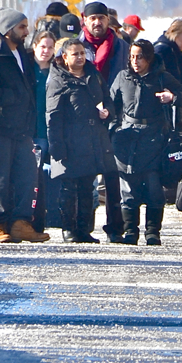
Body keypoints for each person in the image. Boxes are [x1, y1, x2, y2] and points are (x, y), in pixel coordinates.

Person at [108, 38, 182, 245]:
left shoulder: (161, 77)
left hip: (154, 137)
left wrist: (172, 97)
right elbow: (111, 103)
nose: (136, 61)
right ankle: (130, 231)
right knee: (128, 188)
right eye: (133, 57)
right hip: (126, 138)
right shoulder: (123, 77)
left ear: (149, 58)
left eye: (140, 57)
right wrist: (112, 127)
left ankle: (153, 231)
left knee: (154, 187)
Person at [0, 8, 48, 243]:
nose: (27, 32)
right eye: (22, 27)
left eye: (27, 26)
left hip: (21, 128)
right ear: (8, 30)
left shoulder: (21, 55)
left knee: (26, 175)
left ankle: (21, 223)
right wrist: (13, 97)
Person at [47, 38, 113, 243]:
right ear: (65, 57)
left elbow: (107, 99)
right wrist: (57, 146)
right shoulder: (59, 80)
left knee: (87, 187)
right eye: (75, 54)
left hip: (92, 141)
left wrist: (107, 112)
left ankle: (84, 229)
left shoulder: (93, 75)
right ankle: (69, 229)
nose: (80, 58)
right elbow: (53, 115)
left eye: (82, 53)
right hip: (69, 142)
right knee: (69, 188)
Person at [78, 1, 130, 242]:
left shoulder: (122, 47)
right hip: (84, 121)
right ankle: (83, 228)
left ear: (109, 20)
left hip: (116, 120)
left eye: (101, 18)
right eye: (93, 18)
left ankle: (115, 228)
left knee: (113, 177)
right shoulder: (74, 48)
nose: (97, 22)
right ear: (84, 20)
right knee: (85, 176)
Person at [31, 30, 58, 232]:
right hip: (30, 128)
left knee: (50, 173)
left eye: (50, 47)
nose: (46, 51)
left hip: (49, 128)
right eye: (42, 47)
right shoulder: (26, 68)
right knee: (33, 174)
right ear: (34, 47)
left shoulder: (56, 70)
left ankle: (50, 214)